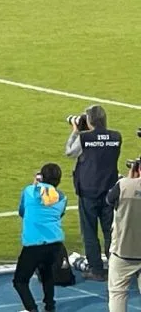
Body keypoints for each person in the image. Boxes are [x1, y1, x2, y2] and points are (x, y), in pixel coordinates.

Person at [65, 104, 121, 280]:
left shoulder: (85, 138)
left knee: (89, 231)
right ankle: (116, 268)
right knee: (110, 232)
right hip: (110, 191)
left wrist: (75, 130)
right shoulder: (117, 137)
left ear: (89, 121)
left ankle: (96, 269)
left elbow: (69, 152)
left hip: (88, 190)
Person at [12, 164, 68, 312]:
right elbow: (59, 213)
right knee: (47, 274)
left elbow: (22, 211)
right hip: (55, 244)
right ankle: (50, 307)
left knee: (20, 281)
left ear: (41, 177)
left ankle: (32, 309)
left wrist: (35, 185)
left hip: (34, 245)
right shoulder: (62, 197)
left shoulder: (29, 191)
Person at [106, 160, 141, 312]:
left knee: (117, 294)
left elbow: (109, 200)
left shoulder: (123, 185)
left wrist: (129, 179)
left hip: (123, 251)